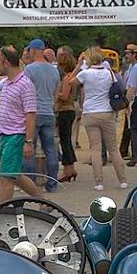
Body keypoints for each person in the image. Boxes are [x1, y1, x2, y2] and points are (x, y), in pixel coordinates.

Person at [0, 46, 43, 202]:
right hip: (5, 135)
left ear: (6, 63)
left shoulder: (25, 84)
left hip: (16, 135)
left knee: (6, 177)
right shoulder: (7, 83)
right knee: (15, 175)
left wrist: (28, 141)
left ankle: (1, 209)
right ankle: (44, 201)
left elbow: (31, 114)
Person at [75, 47, 127, 191]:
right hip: (107, 111)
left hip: (90, 111)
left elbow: (70, 83)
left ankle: (99, 182)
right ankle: (122, 180)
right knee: (113, 148)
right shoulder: (109, 73)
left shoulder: (85, 74)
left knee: (95, 148)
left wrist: (79, 65)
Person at [21, 40, 61, 193]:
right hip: (48, 112)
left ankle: (30, 183)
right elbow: (56, 93)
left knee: (29, 147)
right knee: (50, 149)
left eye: (30, 50)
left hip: (33, 112)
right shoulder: (54, 70)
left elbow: (23, 91)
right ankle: (52, 184)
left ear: (34, 50)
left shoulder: (29, 69)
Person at [53, 49, 80, 185]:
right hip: (69, 111)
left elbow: (64, 95)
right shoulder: (72, 76)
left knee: (65, 142)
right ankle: (71, 168)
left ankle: (67, 169)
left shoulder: (66, 78)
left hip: (65, 110)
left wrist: (55, 92)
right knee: (67, 140)